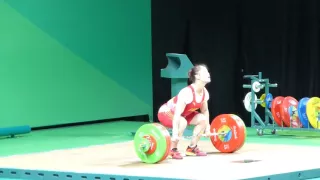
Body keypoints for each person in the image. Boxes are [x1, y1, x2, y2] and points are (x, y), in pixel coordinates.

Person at [157, 64, 211, 159]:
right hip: (166, 112)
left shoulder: (204, 92)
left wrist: (207, 128)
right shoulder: (187, 93)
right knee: (182, 122)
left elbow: (205, 111)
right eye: (205, 72)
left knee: (203, 119)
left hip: (184, 114)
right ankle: (172, 150)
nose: (208, 74)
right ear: (197, 76)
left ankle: (192, 148)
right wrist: (174, 134)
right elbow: (177, 115)